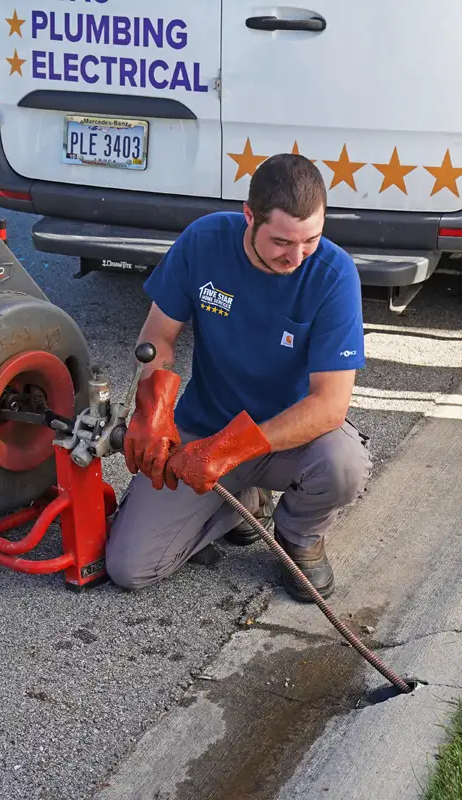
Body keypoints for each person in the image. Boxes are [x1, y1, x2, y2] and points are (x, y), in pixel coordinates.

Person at [105, 153, 373, 602]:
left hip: (289, 439)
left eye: (312, 239)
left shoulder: (333, 273)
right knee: (129, 567)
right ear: (250, 215)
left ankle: (298, 535)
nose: (298, 255)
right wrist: (154, 411)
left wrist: (228, 451)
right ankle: (240, 505)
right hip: (205, 428)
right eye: (284, 241)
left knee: (344, 465)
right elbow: (158, 337)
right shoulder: (204, 240)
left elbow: (330, 405)